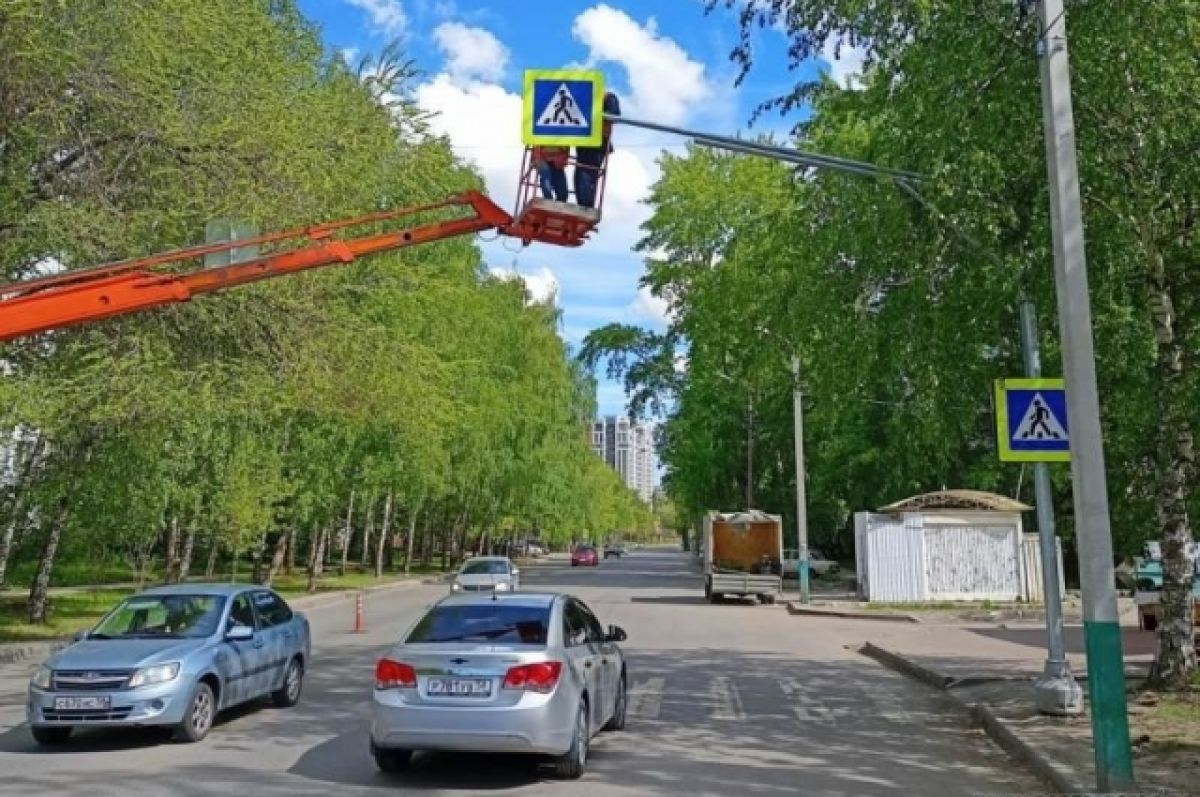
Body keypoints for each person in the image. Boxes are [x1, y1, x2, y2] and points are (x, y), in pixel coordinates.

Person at [574, 91, 620, 209]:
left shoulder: (608, 97)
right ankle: (583, 205)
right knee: (580, 173)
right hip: (584, 143)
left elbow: (613, 115)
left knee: (587, 174)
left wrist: (596, 116)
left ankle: (586, 206)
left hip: (598, 143)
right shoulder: (581, 100)